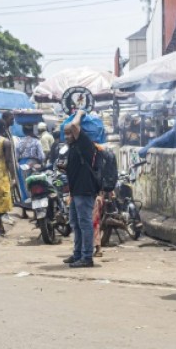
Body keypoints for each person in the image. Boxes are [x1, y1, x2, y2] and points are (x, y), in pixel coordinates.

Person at [60, 110, 100, 268]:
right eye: (65, 134)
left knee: (84, 223)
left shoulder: (85, 142)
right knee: (75, 223)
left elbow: (75, 124)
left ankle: (87, 257)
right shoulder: (74, 147)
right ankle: (77, 254)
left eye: (69, 133)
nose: (67, 136)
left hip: (84, 190)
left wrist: (80, 112)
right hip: (76, 191)